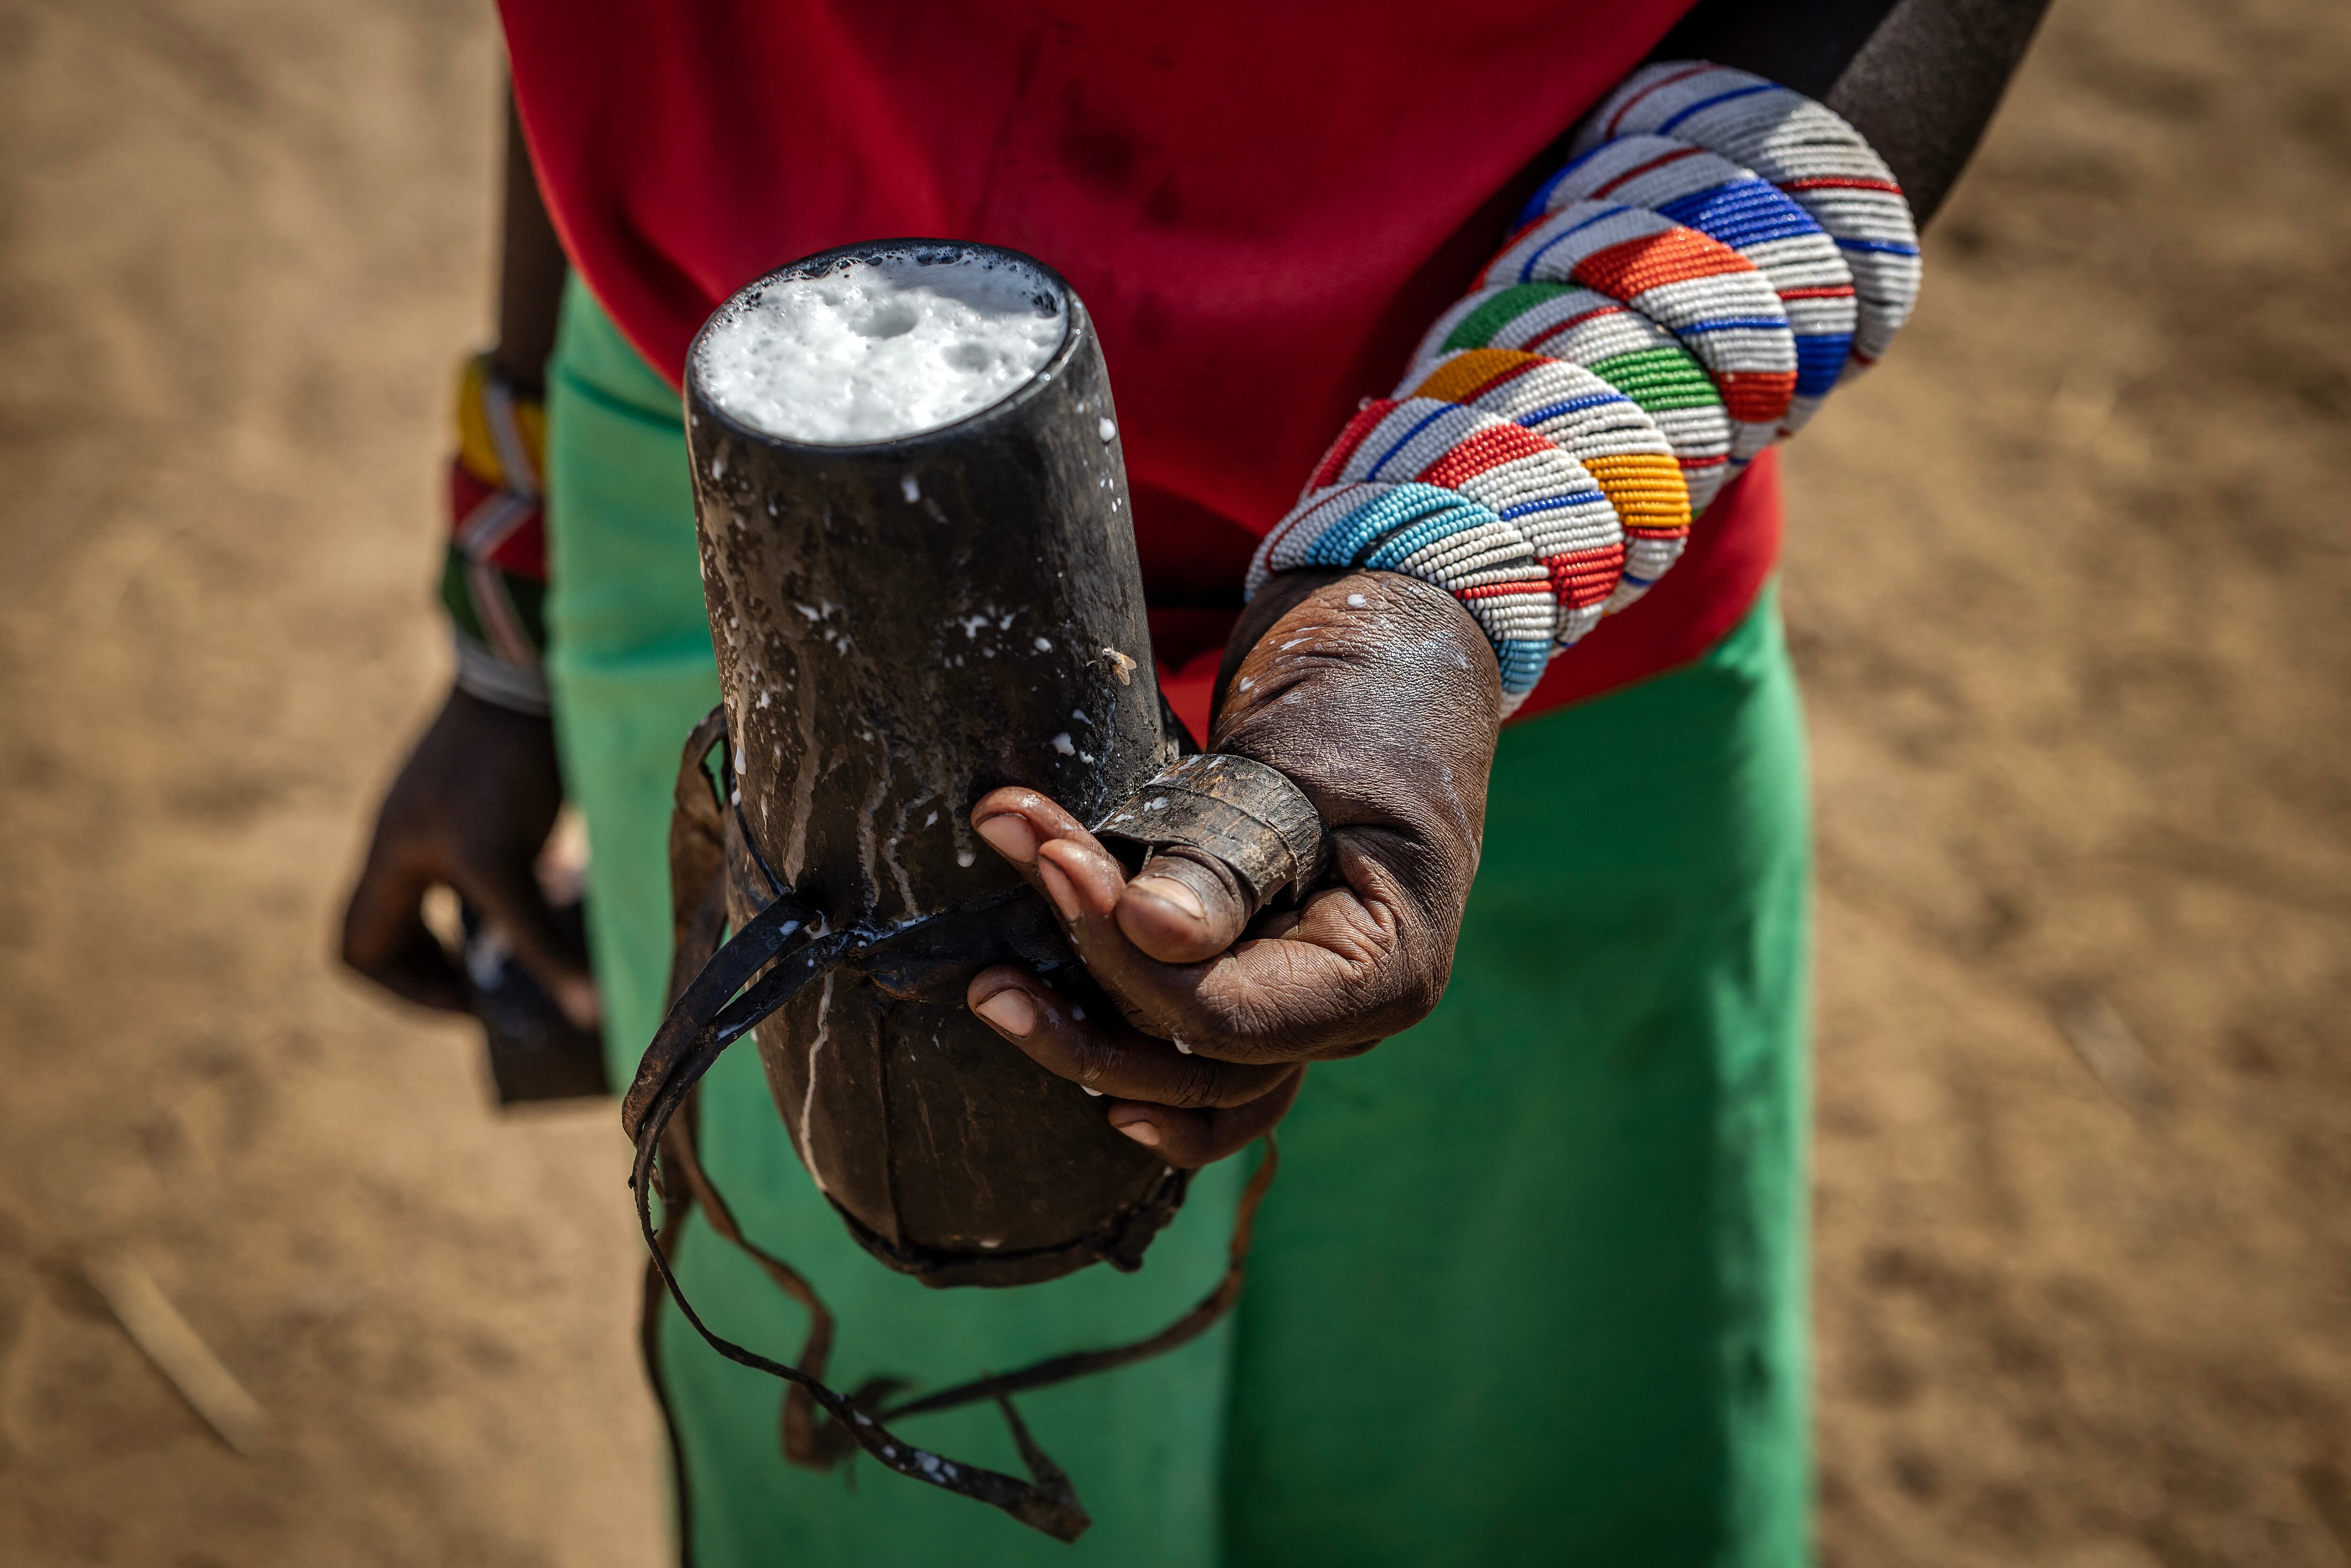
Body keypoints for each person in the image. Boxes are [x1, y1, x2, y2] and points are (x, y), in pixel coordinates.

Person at [343, 1, 2048, 1562]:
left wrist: (1446, 588)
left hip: (1561, 602)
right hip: (738, 531)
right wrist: (521, 595)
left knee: (1516, 1450)